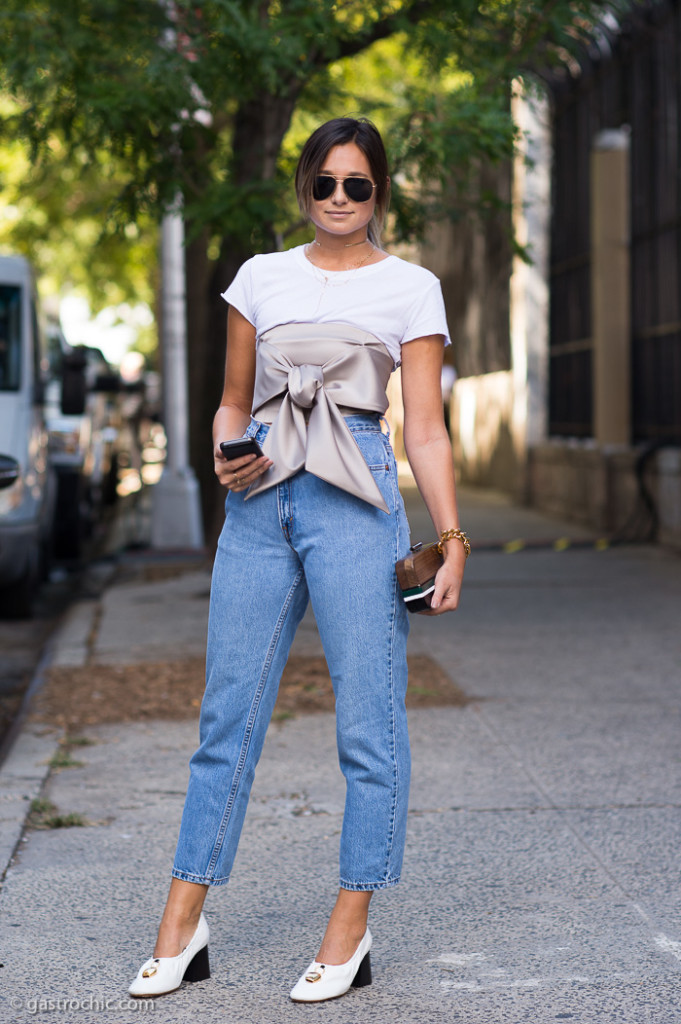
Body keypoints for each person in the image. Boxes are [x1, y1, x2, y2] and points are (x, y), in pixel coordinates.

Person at [128, 116, 468, 1004]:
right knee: (225, 718)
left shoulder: (411, 288)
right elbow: (230, 405)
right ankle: (181, 920)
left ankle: (350, 929)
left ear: (379, 193)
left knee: (368, 726)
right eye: (326, 184)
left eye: (358, 185)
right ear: (304, 189)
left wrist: (452, 538)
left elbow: (423, 429)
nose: (341, 200)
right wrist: (223, 455)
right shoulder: (260, 278)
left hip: (357, 507)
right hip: (260, 502)